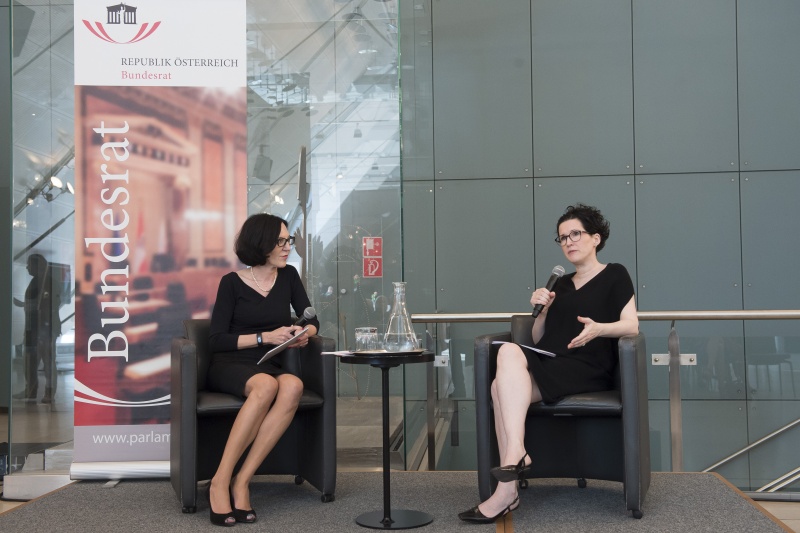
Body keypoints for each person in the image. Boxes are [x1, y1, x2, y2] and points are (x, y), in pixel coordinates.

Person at [458, 204, 639, 523]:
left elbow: (631, 326)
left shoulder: (615, 274)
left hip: (588, 365)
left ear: (595, 238)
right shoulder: (561, 285)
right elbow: (541, 338)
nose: (568, 242)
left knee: (499, 387)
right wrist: (541, 310)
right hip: (553, 359)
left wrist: (599, 328)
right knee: (508, 355)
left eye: (575, 234)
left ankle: (506, 492)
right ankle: (515, 456)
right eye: (562, 238)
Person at [207, 213, 320, 527]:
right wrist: (263, 337)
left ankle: (241, 481)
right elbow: (217, 340)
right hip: (230, 365)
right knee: (267, 387)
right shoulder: (231, 283)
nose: (287, 248)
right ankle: (219, 481)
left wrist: (302, 335)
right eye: (281, 242)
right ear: (262, 244)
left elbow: (312, 320)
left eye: (288, 241)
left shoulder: (289, 277)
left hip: (268, 363)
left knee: (293, 386)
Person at [13, 253, 62, 404]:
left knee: (47, 362)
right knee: (30, 362)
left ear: (37, 266)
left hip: (44, 329)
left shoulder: (49, 283)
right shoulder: (36, 282)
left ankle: (49, 393)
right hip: (33, 328)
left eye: (29, 264)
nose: (27, 267)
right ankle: (31, 389)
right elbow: (36, 303)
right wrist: (23, 304)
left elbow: (49, 306)